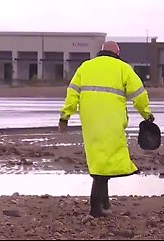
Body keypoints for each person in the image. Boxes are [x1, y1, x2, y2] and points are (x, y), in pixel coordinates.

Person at [58, 41, 155, 217]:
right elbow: (139, 95)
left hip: (90, 121)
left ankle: (104, 203)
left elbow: (72, 93)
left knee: (100, 160)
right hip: (112, 121)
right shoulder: (123, 68)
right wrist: (147, 115)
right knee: (105, 162)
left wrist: (65, 116)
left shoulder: (85, 67)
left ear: (101, 51)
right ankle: (97, 207)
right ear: (118, 52)